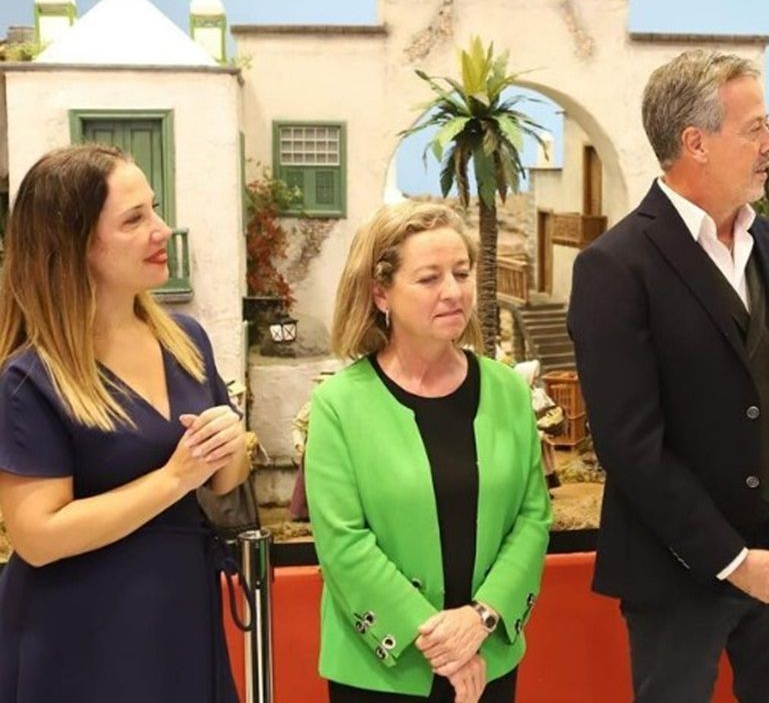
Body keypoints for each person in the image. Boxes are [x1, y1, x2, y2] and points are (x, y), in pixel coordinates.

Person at [568, 49, 769, 702]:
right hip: (675, 576)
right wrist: (735, 562)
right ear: (695, 142)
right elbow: (631, 448)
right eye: (755, 129)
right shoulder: (615, 267)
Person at [0, 144, 248, 702]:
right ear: (76, 244)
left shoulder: (186, 341)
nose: (161, 230)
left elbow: (225, 479)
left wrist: (230, 445)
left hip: (180, 610)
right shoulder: (29, 378)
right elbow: (37, 537)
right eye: (135, 219)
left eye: (154, 210)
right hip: (80, 632)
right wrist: (172, 479)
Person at [305, 201, 551, 703]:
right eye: (429, 278)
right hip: (381, 670)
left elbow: (532, 517)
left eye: (461, 273)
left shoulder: (507, 390)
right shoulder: (339, 404)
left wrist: (480, 618)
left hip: (489, 657)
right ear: (381, 294)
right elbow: (343, 544)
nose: (454, 292)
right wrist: (444, 646)